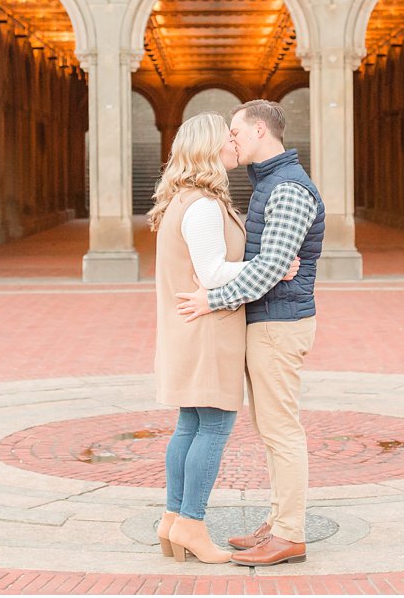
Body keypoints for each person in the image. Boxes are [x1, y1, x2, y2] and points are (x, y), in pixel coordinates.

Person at [176, 99, 324, 567]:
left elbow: (273, 267)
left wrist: (212, 299)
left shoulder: (288, 189)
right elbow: (268, 264)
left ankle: (289, 534)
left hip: (281, 324)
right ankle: (279, 520)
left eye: (236, 132)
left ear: (260, 131)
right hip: (269, 320)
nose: (230, 140)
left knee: (281, 430)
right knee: (270, 428)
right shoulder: (268, 184)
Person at [149, 111, 252, 565]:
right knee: (213, 426)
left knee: (189, 425)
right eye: (228, 138)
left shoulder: (181, 200)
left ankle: (173, 520)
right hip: (210, 330)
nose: (235, 144)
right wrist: (270, 267)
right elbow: (212, 272)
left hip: (187, 329)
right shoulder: (204, 206)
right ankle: (191, 522)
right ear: (212, 148)